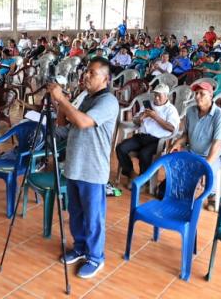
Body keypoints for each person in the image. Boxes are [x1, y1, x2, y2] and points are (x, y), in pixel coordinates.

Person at [51, 57, 118, 279]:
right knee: (76, 213)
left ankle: (96, 257)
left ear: (105, 79)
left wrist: (64, 100)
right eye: (86, 71)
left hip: (93, 168)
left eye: (92, 73)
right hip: (75, 164)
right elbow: (63, 125)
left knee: (93, 216)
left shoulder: (108, 102)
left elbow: (82, 122)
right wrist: (61, 104)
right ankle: (80, 247)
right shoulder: (84, 98)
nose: (86, 75)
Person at [169, 80, 221, 212]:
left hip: (211, 154)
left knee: (209, 168)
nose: (197, 97)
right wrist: (177, 143)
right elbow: (186, 135)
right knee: (175, 161)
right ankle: (181, 189)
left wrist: (205, 165)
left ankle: (212, 194)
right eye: (196, 93)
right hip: (193, 151)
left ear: (211, 96)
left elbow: (217, 145)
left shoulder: (220, 116)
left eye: (202, 94)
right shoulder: (190, 111)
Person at [115, 84, 179, 184]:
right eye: (155, 95)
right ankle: (131, 173)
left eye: (159, 95)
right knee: (120, 148)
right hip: (141, 137)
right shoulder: (148, 105)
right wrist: (140, 118)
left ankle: (143, 180)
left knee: (144, 154)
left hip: (157, 141)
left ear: (166, 96)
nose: (156, 98)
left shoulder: (171, 110)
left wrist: (155, 117)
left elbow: (172, 128)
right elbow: (136, 122)